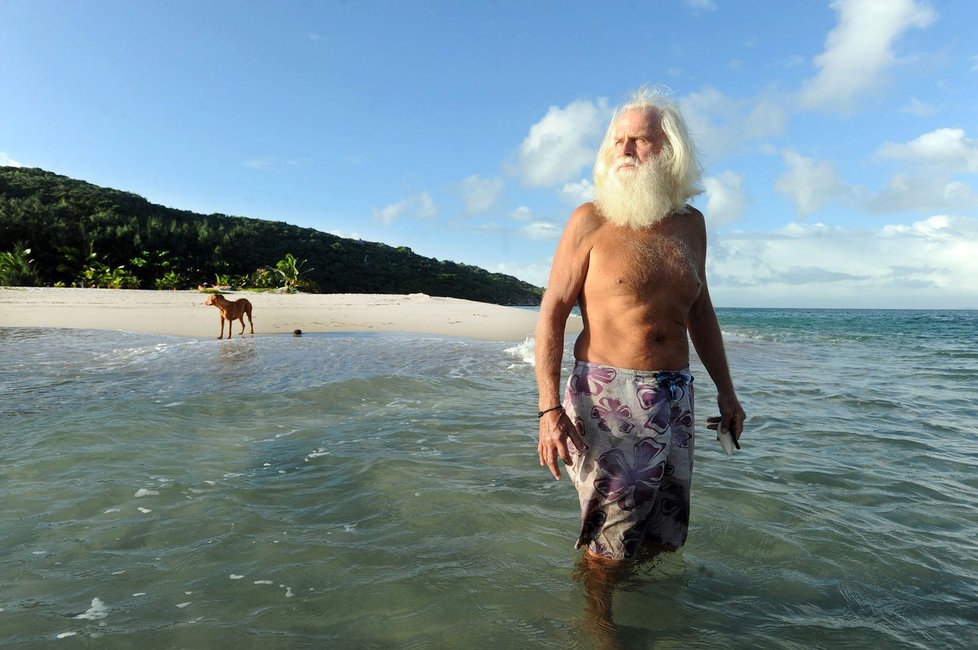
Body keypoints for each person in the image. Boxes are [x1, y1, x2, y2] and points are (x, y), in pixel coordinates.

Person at [535, 87, 746, 565]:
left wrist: (728, 393)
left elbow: (701, 312)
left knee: (662, 533)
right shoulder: (589, 220)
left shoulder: (692, 224)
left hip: (676, 394)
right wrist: (548, 410)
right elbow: (552, 312)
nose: (625, 150)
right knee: (610, 540)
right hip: (609, 395)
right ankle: (598, 630)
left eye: (640, 140)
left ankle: (647, 617)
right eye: (618, 141)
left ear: (669, 150)